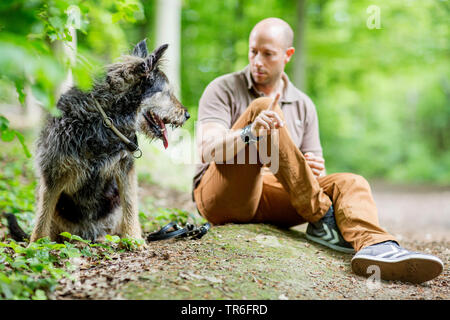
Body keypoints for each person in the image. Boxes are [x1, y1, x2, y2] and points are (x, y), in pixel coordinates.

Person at [192, 17, 443, 284]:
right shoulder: (222, 88)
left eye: (268, 54)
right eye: (253, 52)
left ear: (288, 55)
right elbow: (208, 151)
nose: (257, 61)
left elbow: (310, 168)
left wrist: (311, 166)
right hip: (223, 194)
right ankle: (322, 215)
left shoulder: (303, 104)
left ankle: (377, 247)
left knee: (351, 182)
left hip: (274, 195)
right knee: (264, 107)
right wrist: (249, 133)